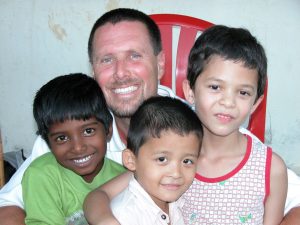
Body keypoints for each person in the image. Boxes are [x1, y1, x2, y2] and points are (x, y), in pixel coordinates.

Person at [0, 8, 300, 225]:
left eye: (134, 56)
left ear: (160, 63)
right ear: (93, 69)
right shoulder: (74, 128)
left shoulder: (193, 127)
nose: (120, 73)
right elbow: (9, 206)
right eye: (107, 60)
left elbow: (293, 203)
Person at [181, 25, 287, 224]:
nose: (228, 102)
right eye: (215, 87)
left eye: (243, 93)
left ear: (255, 103)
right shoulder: (171, 159)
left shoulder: (271, 169)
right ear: (190, 91)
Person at [22, 73, 126, 224]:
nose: (77, 148)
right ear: (48, 142)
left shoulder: (122, 179)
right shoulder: (42, 176)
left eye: (88, 131)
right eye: (62, 138)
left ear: (108, 130)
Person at [110, 96, 203, 224]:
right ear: (130, 160)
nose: (176, 173)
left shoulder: (181, 202)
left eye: (187, 161)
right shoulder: (123, 217)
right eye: (162, 159)